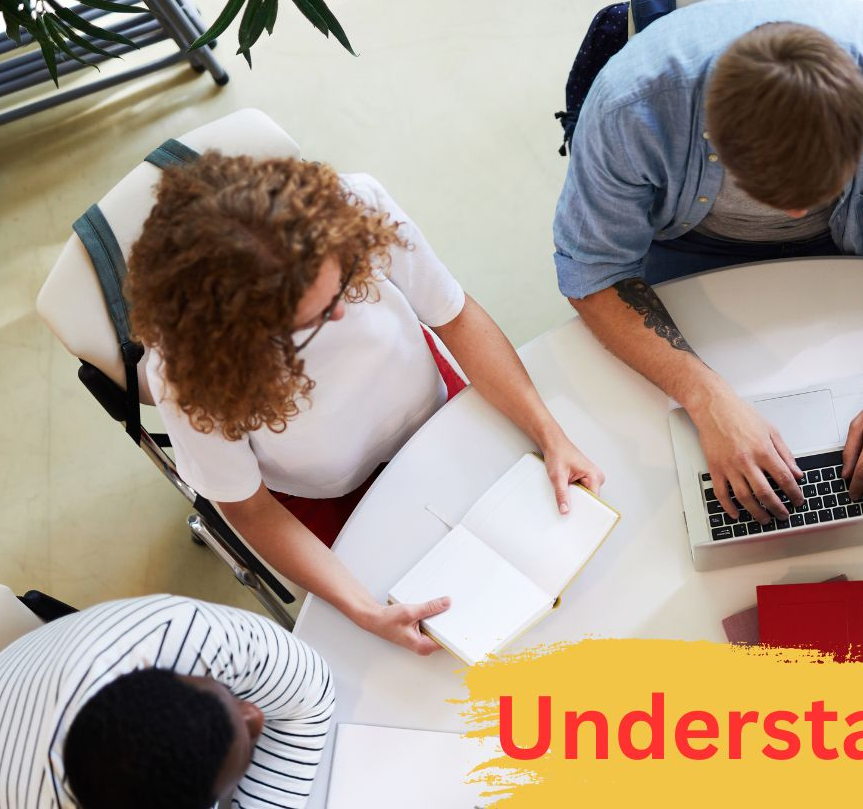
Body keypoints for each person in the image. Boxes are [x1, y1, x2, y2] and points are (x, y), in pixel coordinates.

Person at [552, 0, 863, 525]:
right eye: (766, 193)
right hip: (689, 245)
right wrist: (707, 401)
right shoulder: (629, 110)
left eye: (818, 192)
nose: (797, 216)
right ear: (711, 133)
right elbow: (594, 270)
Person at [127, 154, 604, 655]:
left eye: (343, 279)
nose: (340, 312)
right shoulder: (188, 373)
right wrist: (366, 610)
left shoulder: (355, 205)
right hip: (323, 494)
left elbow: (454, 317)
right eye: (307, 322)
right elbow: (249, 509)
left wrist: (550, 434)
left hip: (431, 407)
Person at [0, 594, 334, 809]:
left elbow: (310, 696)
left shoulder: (178, 633)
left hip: (17, 690)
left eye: (220, 694)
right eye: (244, 750)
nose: (254, 716)